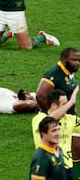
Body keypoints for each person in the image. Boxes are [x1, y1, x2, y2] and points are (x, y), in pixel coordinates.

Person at [36, 47, 80, 178]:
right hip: (58, 120)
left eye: (78, 60)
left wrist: (73, 111)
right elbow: (40, 95)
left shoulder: (69, 72)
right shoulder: (54, 73)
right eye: (73, 60)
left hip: (70, 118)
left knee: (76, 146)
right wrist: (53, 116)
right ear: (63, 59)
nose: (77, 63)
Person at [32, 88, 80, 180]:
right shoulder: (38, 119)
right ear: (54, 105)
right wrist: (71, 102)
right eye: (64, 104)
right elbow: (47, 122)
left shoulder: (70, 119)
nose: (67, 107)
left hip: (66, 170)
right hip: (47, 169)